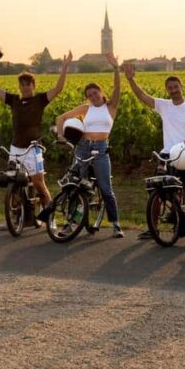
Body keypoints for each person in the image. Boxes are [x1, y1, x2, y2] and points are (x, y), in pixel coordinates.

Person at [0, 51, 71, 225]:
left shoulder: (40, 99)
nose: (24, 87)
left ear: (33, 85)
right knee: (14, 185)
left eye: (28, 84)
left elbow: (58, 89)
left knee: (39, 183)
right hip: (16, 147)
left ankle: (50, 218)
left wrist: (64, 68)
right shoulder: (14, 100)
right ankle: (15, 218)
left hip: (33, 148)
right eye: (22, 84)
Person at [124, 65, 185, 236]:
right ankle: (152, 228)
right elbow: (142, 96)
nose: (173, 90)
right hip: (168, 154)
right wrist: (130, 79)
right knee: (158, 191)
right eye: (170, 88)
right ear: (167, 90)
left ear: (181, 86)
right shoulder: (164, 105)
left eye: (175, 86)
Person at [54, 52, 124, 238]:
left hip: (101, 149)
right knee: (75, 186)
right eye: (89, 95)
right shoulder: (86, 109)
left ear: (101, 92)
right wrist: (61, 136)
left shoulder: (111, 107)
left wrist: (116, 68)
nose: (92, 96)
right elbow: (61, 118)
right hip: (84, 147)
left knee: (106, 188)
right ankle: (70, 223)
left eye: (94, 93)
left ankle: (116, 224)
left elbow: (118, 89)